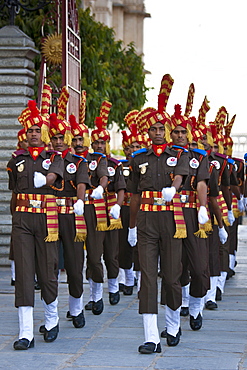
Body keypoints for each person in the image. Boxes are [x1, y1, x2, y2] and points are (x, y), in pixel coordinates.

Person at [128, 74, 189, 354]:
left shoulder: (178, 154)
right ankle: (151, 336)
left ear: (167, 129)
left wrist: (173, 188)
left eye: (161, 128)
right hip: (146, 221)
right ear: (147, 131)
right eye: (152, 128)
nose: (157, 132)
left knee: (173, 274)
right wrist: (131, 227)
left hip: (171, 219)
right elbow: (134, 195)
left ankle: (173, 325)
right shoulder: (138, 158)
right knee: (148, 276)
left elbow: (180, 177)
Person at [6, 89, 64, 350]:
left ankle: (52, 320)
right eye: (30, 130)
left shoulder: (54, 158)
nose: (33, 134)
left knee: (48, 270)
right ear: (25, 134)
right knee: (25, 274)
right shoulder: (15, 160)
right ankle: (25, 332)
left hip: (46, 220)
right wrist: (15, 220)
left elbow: (54, 178)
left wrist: (47, 179)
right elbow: (13, 192)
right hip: (22, 220)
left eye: (37, 130)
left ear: (44, 134)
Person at [43, 86, 91, 330]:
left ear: (69, 139)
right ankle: (51, 316)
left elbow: (81, 182)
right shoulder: (44, 160)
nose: (59, 142)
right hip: (48, 214)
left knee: (74, 263)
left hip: (72, 214)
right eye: (55, 138)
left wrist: (81, 200)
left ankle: (76, 307)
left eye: (62, 138)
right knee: (48, 266)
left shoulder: (78, 161)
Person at [161, 100, 210, 332]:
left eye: (183, 132)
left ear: (189, 134)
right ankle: (174, 312)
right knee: (174, 267)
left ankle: (196, 305)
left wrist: (202, 207)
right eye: (176, 132)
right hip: (169, 214)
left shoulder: (198, 157)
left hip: (192, 214)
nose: (179, 135)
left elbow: (201, 183)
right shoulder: (164, 156)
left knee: (199, 267)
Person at [85, 102, 126, 312]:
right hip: (93, 212)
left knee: (111, 254)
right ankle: (95, 295)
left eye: (103, 142)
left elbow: (120, 188)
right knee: (93, 255)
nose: (99, 146)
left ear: (107, 143)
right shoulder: (86, 162)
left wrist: (118, 205)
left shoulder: (115, 164)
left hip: (111, 212)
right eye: (96, 142)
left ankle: (113, 287)